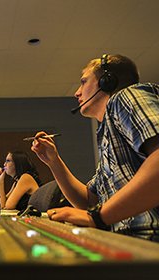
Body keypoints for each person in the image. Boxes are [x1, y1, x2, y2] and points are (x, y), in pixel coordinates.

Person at [31, 54, 159, 241]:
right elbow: (89, 201)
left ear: (107, 82)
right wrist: (53, 161)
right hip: (128, 240)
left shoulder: (126, 96)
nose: (77, 92)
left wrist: (97, 217)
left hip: (149, 239)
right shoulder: (107, 132)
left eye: (83, 82)